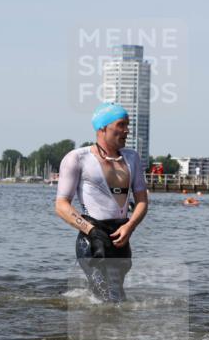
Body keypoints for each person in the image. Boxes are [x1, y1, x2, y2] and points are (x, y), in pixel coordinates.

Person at [54, 103, 149, 302]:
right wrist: (92, 231)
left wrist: (130, 226)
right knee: (107, 298)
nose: (127, 130)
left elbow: (142, 201)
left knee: (118, 296)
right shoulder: (78, 158)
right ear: (102, 128)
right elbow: (61, 205)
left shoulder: (132, 158)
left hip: (120, 236)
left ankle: (102, 325)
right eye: (121, 125)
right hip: (92, 238)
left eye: (127, 125)